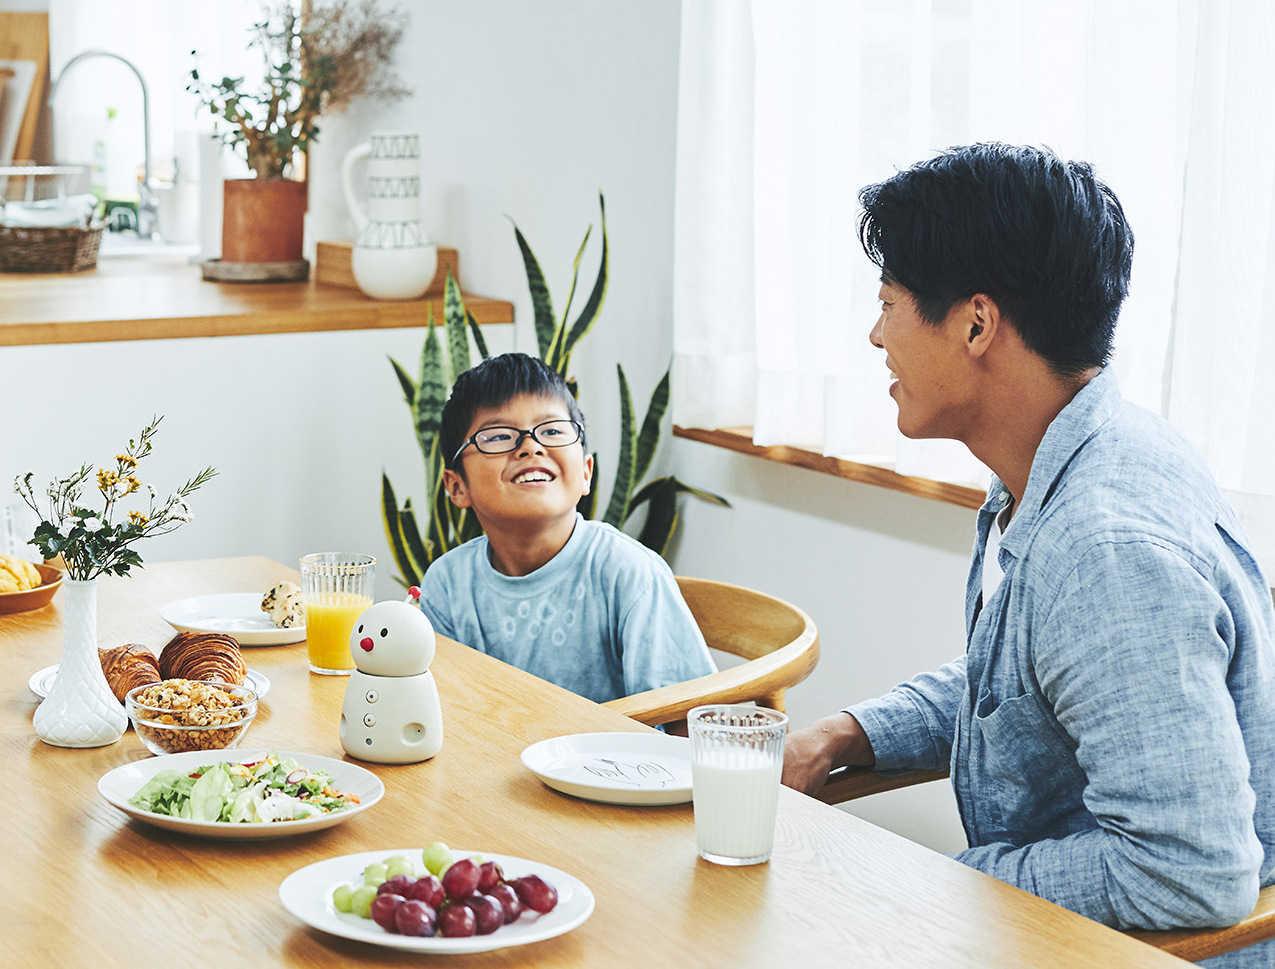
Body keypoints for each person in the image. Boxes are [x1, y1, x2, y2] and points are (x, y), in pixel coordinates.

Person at [782, 143, 1275, 960]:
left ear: (977, 322)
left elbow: (1190, 874)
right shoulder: (1070, 455)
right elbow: (1019, 680)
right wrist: (847, 733)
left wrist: (935, 889)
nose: (876, 334)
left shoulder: (1106, 549)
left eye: (890, 301)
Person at [416, 353, 715, 703]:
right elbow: (443, 711)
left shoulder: (629, 573)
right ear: (456, 487)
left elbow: (687, 720)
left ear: (586, 471)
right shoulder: (448, 584)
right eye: (498, 436)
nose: (531, 447)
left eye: (553, 431)